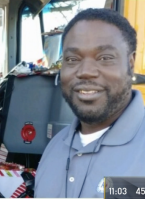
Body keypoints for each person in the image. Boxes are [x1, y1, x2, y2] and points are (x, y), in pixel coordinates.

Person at [34, 8, 145, 198]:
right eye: (72, 59)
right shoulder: (54, 148)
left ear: (130, 63)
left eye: (105, 58)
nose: (86, 71)